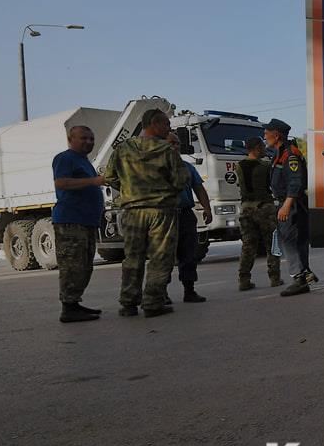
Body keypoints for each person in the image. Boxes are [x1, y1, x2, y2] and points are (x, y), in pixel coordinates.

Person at [102, 108, 191, 317]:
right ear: (155, 124)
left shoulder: (122, 149)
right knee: (160, 257)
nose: (169, 128)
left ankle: (128, 303)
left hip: (133, 211)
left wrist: (129, 189)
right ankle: (153, 302)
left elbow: (110, 177)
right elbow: (181, 181)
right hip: (161, 212)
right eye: (166, 124)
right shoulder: (167, 150)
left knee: (133, 257)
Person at [51, 125, 106, 323]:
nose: (88, 142)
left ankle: (74, 303)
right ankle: (68, 308)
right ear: (70, 139)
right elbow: (61, 183)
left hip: (86, 221)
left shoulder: (84, 161)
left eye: (91, 139)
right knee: (72, 266)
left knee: (84, 266)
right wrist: (93, 182)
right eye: (83, 138)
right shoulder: (65, 158)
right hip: (71, 221)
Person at [265, 118, 317, 296]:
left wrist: (286, 206)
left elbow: (295, 182)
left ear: (276, 135)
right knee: (295, 241)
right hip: (289, 202)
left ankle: (299, 278)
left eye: (267, 133)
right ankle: (304, 276)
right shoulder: (280, 153)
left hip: (292, 203)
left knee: (289, 241)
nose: (265, 136)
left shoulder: (290, 154)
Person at [167, 131, 213, 302]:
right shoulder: (156, 167)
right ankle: (161, 293)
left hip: (185, 214)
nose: (175, 146)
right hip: (165, 216)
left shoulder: (187, 167)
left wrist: (207, 209)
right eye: (171, 143)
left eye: (177, 143)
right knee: (164, 257)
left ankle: (189, 290)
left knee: (189, 255)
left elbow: (199, 188)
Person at [236, 136, 282, 290]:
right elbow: (273, 184)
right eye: (262, 146)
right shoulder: (265, 166)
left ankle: (244, 279)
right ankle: (275, 278)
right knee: (272, 244)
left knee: (248, 245)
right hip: (264, 208)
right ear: (257, 148)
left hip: (246, 208)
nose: (265, 149)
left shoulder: (239, 166)